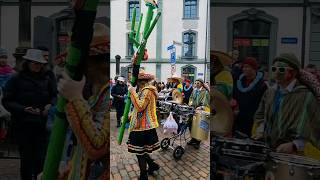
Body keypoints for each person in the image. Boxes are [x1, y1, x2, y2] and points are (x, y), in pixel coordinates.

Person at [54, 23, 110, 179]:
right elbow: (83, 150)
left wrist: (76, 98)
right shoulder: (98, 94)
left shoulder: (109, 94)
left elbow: (96, 146)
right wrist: (66, 172)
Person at [3, 49, 57, 180]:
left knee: (41, 158)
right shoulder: (16, 78)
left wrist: (49, 105)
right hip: (23, 124)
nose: (37, 66)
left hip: (41, 123)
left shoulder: (46, 78)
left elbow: (54, 96)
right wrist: (23, 109)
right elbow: (7, 101)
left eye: (40, 64)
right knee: (26, 160)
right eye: (34, 63)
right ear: (27, 63)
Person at [252, 53, 320, 155]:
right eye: (274, 69)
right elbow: (260, 115)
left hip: (295, 157)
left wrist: (294, 145)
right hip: (269, 151)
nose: (277, 73)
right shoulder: (270, 92)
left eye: (282, 70)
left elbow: (314, 130)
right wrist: (261, 129)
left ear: (293, 73)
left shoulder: (306, 96)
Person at [127, 70, 160, 180]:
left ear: (139, 82)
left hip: (143, 127)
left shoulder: (147, 91)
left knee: (140, 152)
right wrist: (131, 116)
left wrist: (132, 92)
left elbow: (140, 106)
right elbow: (140, 111)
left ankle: (143, 175)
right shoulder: (143, 90)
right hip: (141, 126)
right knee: (142, 151)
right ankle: (152, 165)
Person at [233, 57, 267, 137]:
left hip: (253, 119)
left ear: (254, 69)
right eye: (244, 67)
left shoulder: (262, 85)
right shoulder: (239, 82)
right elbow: (234, 97)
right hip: (239, 118)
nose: (245, 69)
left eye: (248, 67)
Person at [188, 78, 210, 149]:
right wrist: (190, 104)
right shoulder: (194, 90)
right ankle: (193, 139)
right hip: (193, 110)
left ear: (201, 84)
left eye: (198, 83)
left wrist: (201, 107)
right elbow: (191, 98)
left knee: (198, 126)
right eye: (195, 83)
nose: (196, 84)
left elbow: (206, 102)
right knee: (190, 124)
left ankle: (197, 142)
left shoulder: (205, 92)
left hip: (200, 111)